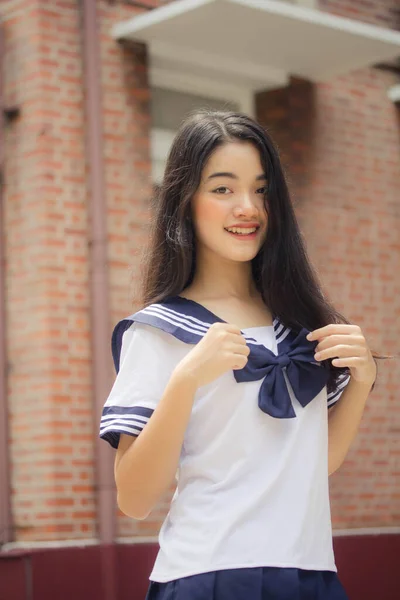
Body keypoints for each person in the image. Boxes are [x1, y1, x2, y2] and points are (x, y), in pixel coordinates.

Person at [99, 111, 379, 600]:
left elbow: (312, 464)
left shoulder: (298, 323)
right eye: (223, 189)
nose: (248, 207)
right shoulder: (161, 331)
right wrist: (186, 380)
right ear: (185, 203)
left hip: (311, 572)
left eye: (262, 189)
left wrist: (360, 383)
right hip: (211, 575)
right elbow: (135, 498)